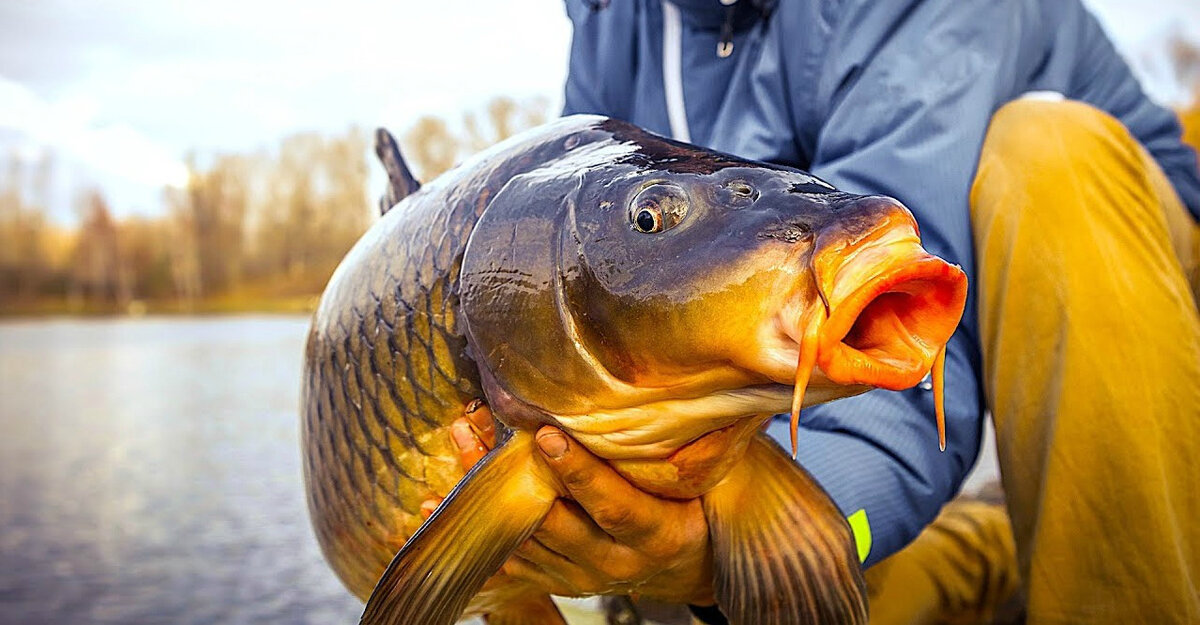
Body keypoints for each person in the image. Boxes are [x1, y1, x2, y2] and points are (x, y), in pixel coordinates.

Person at [442, 1, 1200, 622]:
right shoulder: (612, 21)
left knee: (1048, 154)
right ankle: (992, 539)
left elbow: (897, 323)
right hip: (835, 366)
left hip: (1139, 280)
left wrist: (728, 542)